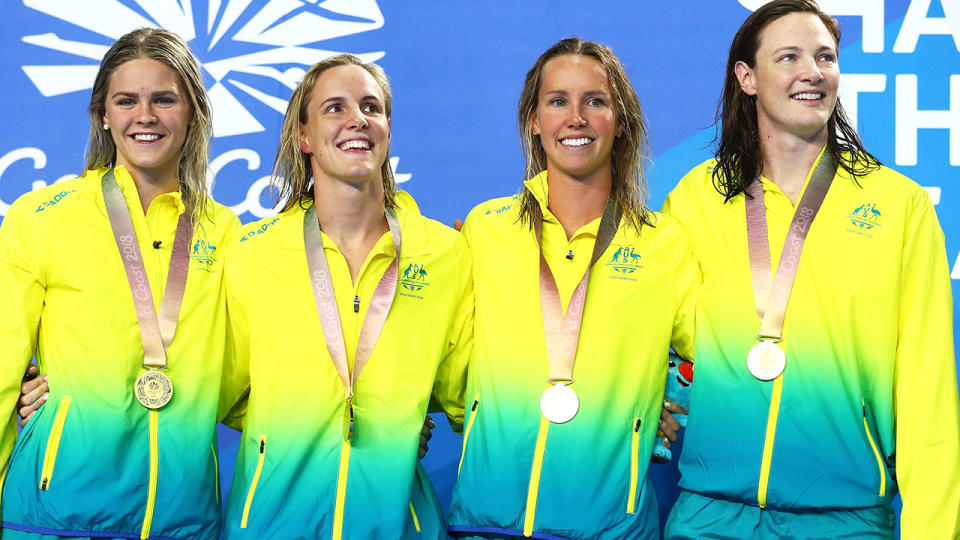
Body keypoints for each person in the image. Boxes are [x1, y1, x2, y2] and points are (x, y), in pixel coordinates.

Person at [661, 1, 960, 538]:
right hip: (707, 515)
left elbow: (927, 392)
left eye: (825, 57)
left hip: (844, 520)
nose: (813, 72)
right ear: (747, 78)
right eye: (789, 56)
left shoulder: (898, 207)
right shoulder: (696, 200)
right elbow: (648, 327)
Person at [447, 38, 697, 539]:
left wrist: (661, 407)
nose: (576, 117)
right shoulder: (486, 229)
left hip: (610, 527)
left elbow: (717, 355)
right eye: (558, 101)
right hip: (486, 521)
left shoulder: (662, 243)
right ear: (534, 121)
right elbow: (449, 354)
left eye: (596, 101)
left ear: (620, 122)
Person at [217, 54, 472, 539]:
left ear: (388, 131)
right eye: (335, 107)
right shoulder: (252, 254)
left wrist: (646, 397)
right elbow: (214, 383)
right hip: (271, 525)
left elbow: (471, 390)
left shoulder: (444, 253)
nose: (358, 119)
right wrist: (60, 388)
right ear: (304, 136)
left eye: (371, 108)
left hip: (399, 524)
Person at [0, 28, 240, 540]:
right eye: (126, 100)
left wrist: (373, 416)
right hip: (53, 515)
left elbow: (246, 378)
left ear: (193, 112)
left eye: (164, 100)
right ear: (102, 115)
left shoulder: (227, 233)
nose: (145, 116)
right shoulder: (42, 217)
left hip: (183, 519)